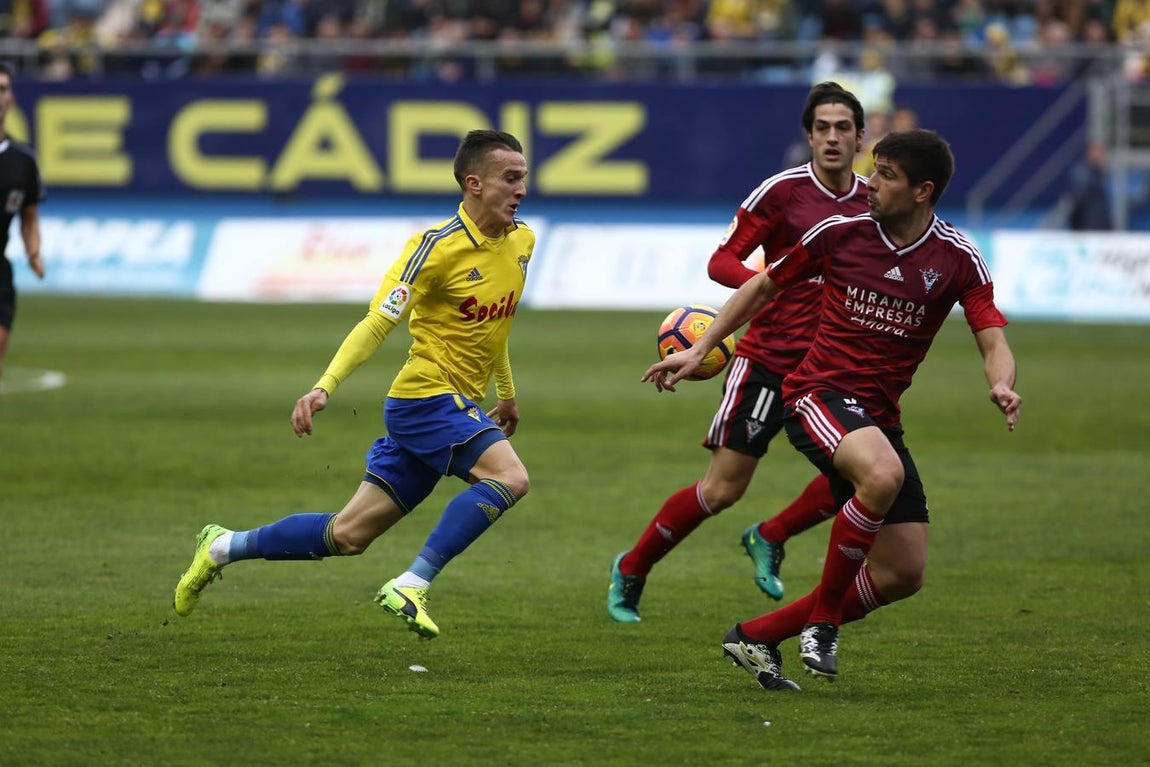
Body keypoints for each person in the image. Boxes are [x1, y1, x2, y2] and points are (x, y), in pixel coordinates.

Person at [643, 129, 1021, 690]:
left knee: (902, 573)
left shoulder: (958, 258)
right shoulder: (839, 232)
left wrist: (1002, 383)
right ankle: (822, 625)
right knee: (883, 473)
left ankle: (756, 637)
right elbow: (763, 287)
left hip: (876, 417)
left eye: (886, 176)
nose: (870, 184)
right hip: (816, 393)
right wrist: (702, 345)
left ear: (923, 191)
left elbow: (990, 333)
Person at [173, 129, 534, 640]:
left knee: (347, 535)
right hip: (426, 399)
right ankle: (412, 583)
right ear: (474, 183)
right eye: (510, 178)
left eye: (524, 177)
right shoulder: (433, 249)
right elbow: (377, 321)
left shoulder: (523, 241)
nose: (522, 189)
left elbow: (497, 326)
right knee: (511, 478)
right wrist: (326, 386)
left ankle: (221, 546)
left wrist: (506, 390)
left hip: (455, 404)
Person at [607, 82, 871, 624]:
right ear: (809, 134)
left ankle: (770, 535)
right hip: (769, 359)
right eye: (822, 127)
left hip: (835, 366)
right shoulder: (779, 192)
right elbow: (722, 261)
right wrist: (772, 281)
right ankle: (633, 566)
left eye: (843, 127)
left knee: (866, 475)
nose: (832, 137)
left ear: (860, 136)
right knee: (723, 488)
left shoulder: (874, 201)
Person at [0, 63, 46, 385]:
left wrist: (33, 253)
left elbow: (29, 213)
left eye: (3, 89)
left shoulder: (22, 161)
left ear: (11, 99)